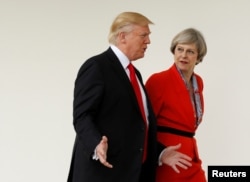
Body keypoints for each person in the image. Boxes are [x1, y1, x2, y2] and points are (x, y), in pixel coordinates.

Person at [67, 12, 158, 182]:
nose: (148, 41)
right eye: (143, 35)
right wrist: (96, 143)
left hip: (133, 173)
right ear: (123, 36)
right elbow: (82, 115)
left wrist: (160, 152)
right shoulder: (96, 67)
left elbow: (139, 125)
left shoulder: (135, 74)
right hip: (103, 173)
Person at [145, 28, 207, 182]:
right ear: (174, 51)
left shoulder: (198, 82)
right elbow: (144, 124)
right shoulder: (158, 81)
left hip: (191, 157)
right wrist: (160, 154)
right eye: (180, 49)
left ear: (198, 57)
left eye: (190, 51)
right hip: (169, 159)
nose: (183, 55)